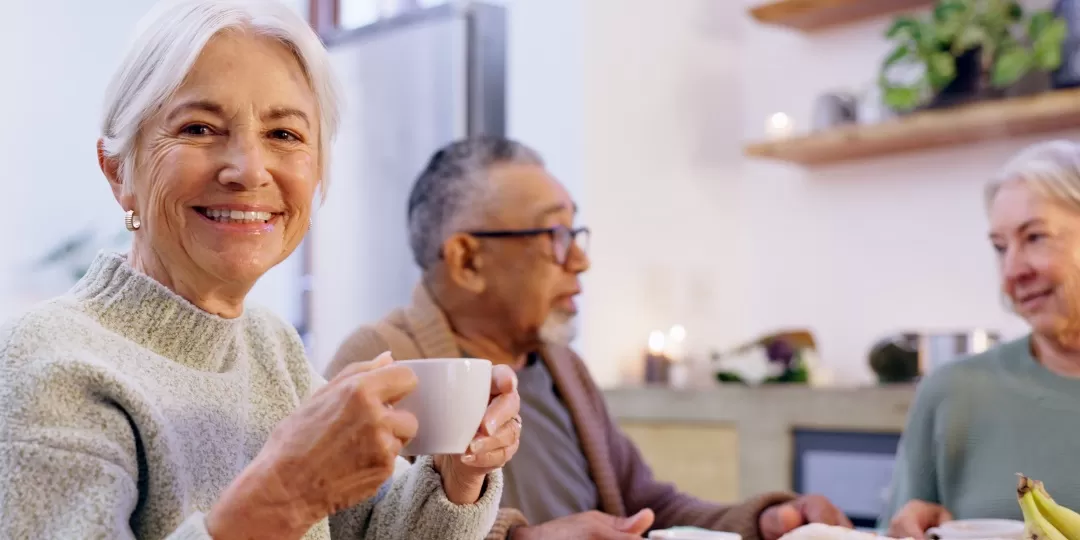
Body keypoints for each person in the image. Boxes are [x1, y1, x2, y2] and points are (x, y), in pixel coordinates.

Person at [0, 1, 522, 539]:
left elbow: (375, 532)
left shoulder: (272, 347)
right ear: (118, 171)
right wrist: (285, 496)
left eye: (284, 135)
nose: (249, 170)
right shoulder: (47, 360)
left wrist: (457, 475)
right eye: (200, 128)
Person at [326, 136, 852, 540]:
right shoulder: (381, 361)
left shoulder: (560, 366)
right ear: (467, 260)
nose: (580, 259)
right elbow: (364, 531)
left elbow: (646, 505)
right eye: (554, 236)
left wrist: (763, 521)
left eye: (575, 234)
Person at [882, 139, 1080, 539]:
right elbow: (895, 530)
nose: (1011, 272)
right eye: (999, 247)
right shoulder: (953, 392)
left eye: (1035, 237)